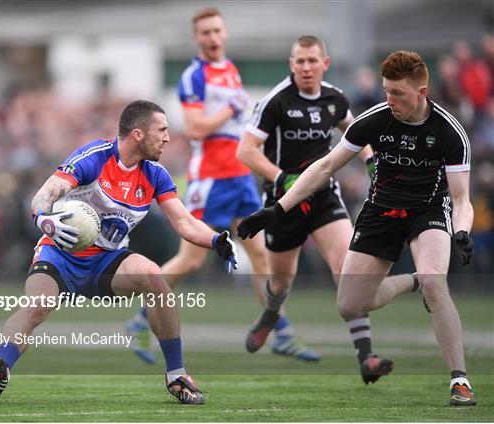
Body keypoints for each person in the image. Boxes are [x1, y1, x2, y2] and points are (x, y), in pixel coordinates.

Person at [238, 50, 476, 406]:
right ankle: (413, 282)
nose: (390, 100)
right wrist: (276, 209)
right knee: (350, 305)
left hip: (427, 211)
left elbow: (461, 199)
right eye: (386, 91)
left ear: (422, 92)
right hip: (380, 212)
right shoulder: (375, 119)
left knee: (434, 280)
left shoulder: (448, 132)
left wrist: (462, 231)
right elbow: (325, 167)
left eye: (398, 94)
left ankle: (460, 381)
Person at [0, 100, 240, 405]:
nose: (168, 138)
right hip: (59, 254)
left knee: (155, 278)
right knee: (36, 307)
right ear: (138, 134)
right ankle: (1, 367)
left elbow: (183, 222)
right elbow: (45, 194)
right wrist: (44, 219)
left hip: (107, 260)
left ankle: (177, 376)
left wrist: (215, 240)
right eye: (162, 130)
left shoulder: (156, 175)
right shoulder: (95, 156)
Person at [127, 7, 319, 365]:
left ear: (224, 33)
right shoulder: (193, 76)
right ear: (197, 38)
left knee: (261, 254)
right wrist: (229, 109)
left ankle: (281, 332)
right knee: (192, 260)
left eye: (217, 31)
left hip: (238, 175)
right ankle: (139, 320)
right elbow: (196, 127)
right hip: (211, 178)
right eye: (205, 33)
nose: (213, 38)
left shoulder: (230, 70)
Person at [237, 35, 415, 382]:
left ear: (325, 63)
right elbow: (245, 151)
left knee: (347, 272)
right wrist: (281, 178)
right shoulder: (275, 101)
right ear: (291, 65)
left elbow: (355, 132)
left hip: (323, 196)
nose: (305, 67)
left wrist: (370, 160)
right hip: (282, 204)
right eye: (299, 61)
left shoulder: (335, 98)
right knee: (281, 280)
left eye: (311, 61)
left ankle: (367, 358)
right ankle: (271, 315)